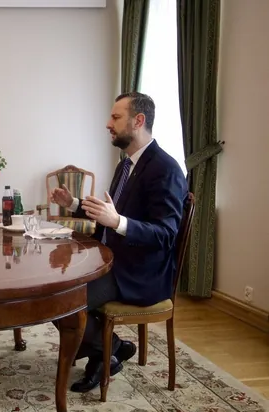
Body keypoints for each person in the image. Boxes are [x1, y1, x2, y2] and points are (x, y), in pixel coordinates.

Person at [50, 92, 188, 393]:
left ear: (138, 121)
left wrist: (118, 222)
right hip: (113, 261)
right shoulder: (125, 165)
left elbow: (165, 234)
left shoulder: (165, 169)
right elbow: (111, 215)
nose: (108, 124)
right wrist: (73, 204)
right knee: (55, 291)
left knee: (61, 303)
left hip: (140, 272)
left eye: (115, 117)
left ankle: (105, 354)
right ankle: (112, 349)